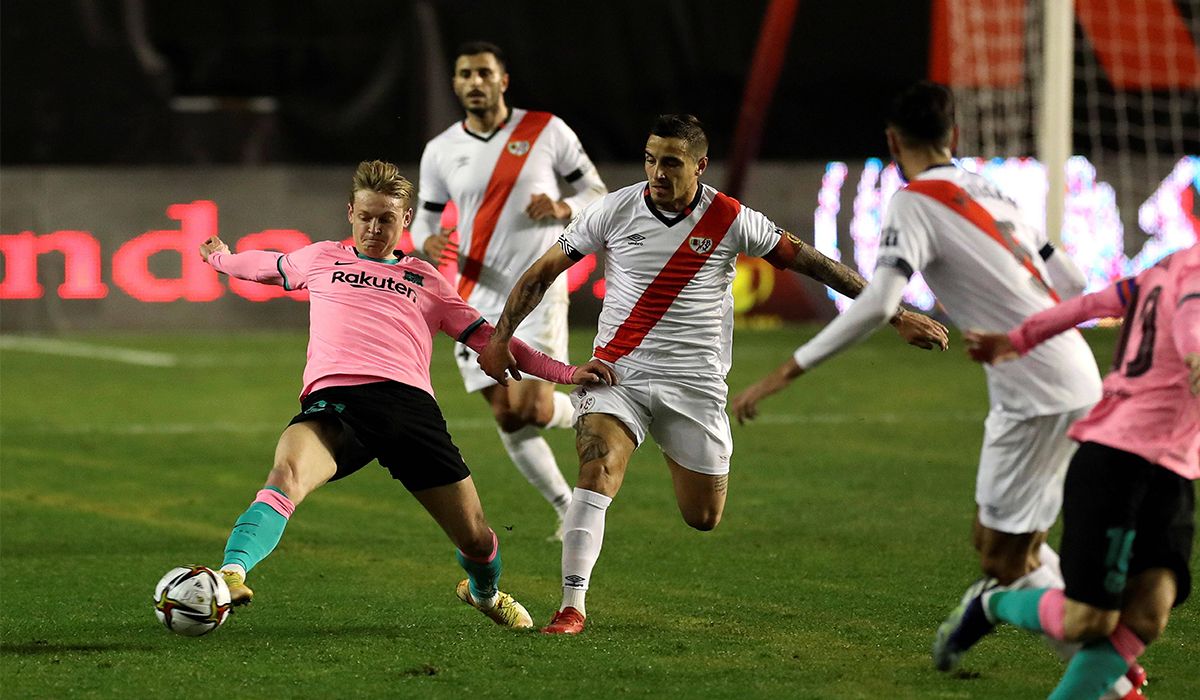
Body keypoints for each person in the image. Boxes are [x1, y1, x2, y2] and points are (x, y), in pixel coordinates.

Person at [729, 80, 1148, 697]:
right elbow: (1072, 277)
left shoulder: (912, 203)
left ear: (893, 142)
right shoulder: (995, 190)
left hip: (1036, 392)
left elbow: (880, 300)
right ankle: (1084, 644)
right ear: (953, 136)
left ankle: (1110, 677)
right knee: (1007, 545)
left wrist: (785, 372)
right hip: (1067, 373)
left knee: (1004, 561)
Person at [477, 114, 949, 634]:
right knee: (597, 469)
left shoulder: (731, 218)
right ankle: (571, 607)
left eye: (672, 162)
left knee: (702, 517)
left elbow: (813, 262)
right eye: (651, 159)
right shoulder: (612, 210)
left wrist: (897, 312)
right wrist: (500, 339)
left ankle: (645, 441)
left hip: (695, 388)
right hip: (618, 376)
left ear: (700, 166)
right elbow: (543, 272)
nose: (658, 171)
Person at [197, 160, 615, 630]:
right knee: (286, 475)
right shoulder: (321, 257)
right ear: (350, 212)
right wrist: (218, 257)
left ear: (406, 220)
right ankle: (230, 574)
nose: (374, 228)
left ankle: (483, 592)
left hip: (409, 411)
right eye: (366, 217)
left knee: (477, 540)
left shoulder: (426, 280)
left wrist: (567, 371)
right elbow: (264, 266)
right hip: (338, 403)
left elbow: (494, 342)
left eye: (386, 219)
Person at [935, 244, 1200, 699]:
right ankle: (992, 602)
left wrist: (1017, 339)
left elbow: (1092, 304)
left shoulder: (1166, 267)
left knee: (1148, 615)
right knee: (1089, 620)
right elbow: (1191, 321)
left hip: (1172, 468)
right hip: (1119, 459)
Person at [410, 41, 608, 539]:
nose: (473, 82)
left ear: (503, 80)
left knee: (536, 408)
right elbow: (424, 220)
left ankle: (601, 408)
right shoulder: (440, 149)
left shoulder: (546, 129)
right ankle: (565, 508)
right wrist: (426, 240)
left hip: (536, 287)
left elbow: (596, 193)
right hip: (472, 290)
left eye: (483, 73)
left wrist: (563, 209)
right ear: (455, 84)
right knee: (508, 413)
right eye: (464, 74)